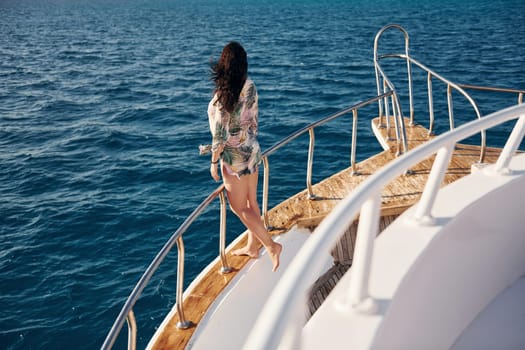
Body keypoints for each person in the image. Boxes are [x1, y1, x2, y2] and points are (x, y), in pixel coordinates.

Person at [206, 41, 282, 272]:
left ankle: (270, 246)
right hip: (252, 150)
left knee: (239, 208)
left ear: (223, 64)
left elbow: (219, 134)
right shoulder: (250, 85)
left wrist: (213, 162)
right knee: (252, 202)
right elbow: (254, 119)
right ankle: (252, 246)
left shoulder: (223, 96)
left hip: (233, 159)